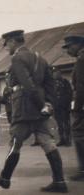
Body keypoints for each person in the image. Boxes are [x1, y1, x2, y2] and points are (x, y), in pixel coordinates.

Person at [0, 30, 68, 193]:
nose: (6, 47)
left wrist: (40, 104)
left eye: (7, 44)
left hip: (24, 107)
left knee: (15, 143)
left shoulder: (17, 58)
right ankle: (59, 181)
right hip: (40, 108)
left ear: (13, 42)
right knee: (48, 143)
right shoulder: (39, 58)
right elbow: (49, 83)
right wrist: (48, 104)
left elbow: (27, 84)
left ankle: (5, 178)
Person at [62, 35, 84, 181]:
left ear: (78, 45)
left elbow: (81, 86)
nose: (68, 50)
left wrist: (77, 107)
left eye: (69, 47)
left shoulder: (81, 60)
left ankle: (82, 171)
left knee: (79, 135)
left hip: (82, 107)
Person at [52, 68, 73, 146]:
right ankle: (62, 139)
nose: (55, 75)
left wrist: (66, 103)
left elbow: (69, 93)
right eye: (54, 73)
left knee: (66, 123)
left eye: (57, 73)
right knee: (59, 124)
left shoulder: (65, 82)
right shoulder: (52, 83)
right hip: (56, 107)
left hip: (64, 107)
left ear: (60, 74)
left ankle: (68, 140)